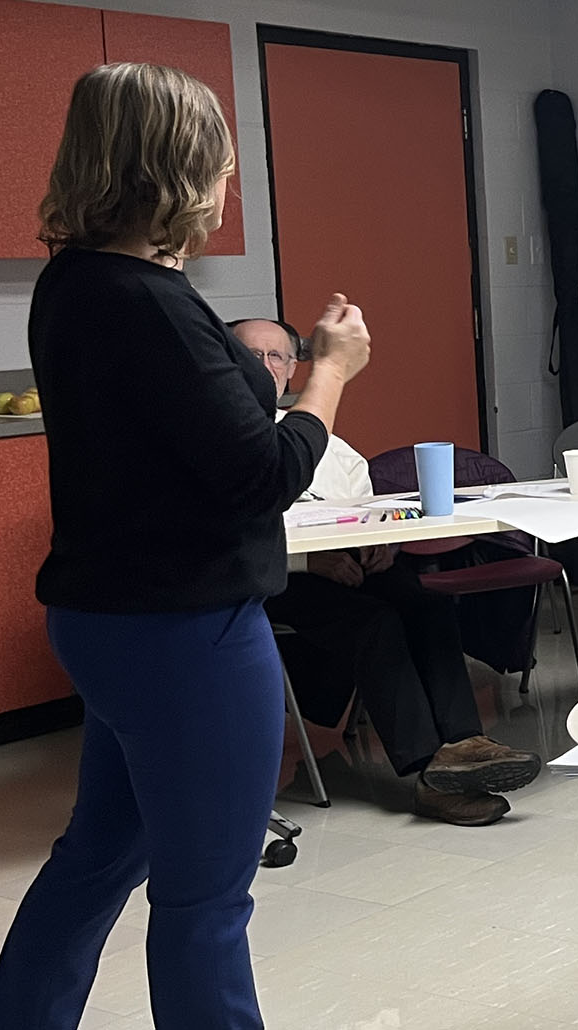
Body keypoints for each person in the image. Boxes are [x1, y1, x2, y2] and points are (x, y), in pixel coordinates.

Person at [0, 64, 370, 1030]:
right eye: (215, 158)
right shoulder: (143, 303)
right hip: (185, 630)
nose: (226, 179)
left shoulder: (79, 281)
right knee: (206, 899)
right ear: (176, 166)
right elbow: (264, 473)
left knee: (101, 856)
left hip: (111, 621)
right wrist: (325, 373)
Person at [232, 319, 542, 828]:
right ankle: (429, 774)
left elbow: (371, 510)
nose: (265, 367)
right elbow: (225, 534)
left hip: (350, 568)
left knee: (424, 601)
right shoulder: (223, 437)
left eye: (277, 357)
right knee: (375, 623)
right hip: (268, 581)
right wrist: (309, 560)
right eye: (252, 355)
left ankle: (466, 743)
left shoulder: (326, 441)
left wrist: (386, 543)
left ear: (293, 370)